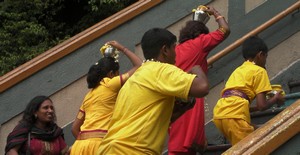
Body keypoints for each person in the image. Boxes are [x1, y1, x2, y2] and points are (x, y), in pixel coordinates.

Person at [97, 28, 209, 155]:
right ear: (165, 50)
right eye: (174, 48)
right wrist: (196, 67)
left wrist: (180, 109)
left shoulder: (137, 76)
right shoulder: (161, 70)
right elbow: (202, 87)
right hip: (131, 150)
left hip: (109, 148)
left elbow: (153, 121)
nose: (176, 53)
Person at [168, 6, 230, 155]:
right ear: (200, 33)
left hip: (174, 100)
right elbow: (224, 30)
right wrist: (216, 13)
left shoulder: (175, 50)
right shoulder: (199, 42)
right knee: (190, 144)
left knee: (178, 144)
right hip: (192, 98)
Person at [70, 41, 142, 155]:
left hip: (79, 147)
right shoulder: (109, 83)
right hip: (100, 145)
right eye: (118, 73)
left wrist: (86, 140)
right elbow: (139, 66)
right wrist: (122, 48)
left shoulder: (88, 95)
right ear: (111, 74)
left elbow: (74, 128)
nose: (119, 76)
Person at [213, 36, 285, 145]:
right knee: (249, 148)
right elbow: (262, 106)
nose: (265, 61)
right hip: (234, 116)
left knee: (250, 138)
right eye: (266, 57)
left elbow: (238, 100)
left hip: (220, 113)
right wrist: (276, 98)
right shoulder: (260, 71)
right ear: (260, 55)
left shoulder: (239, 70)